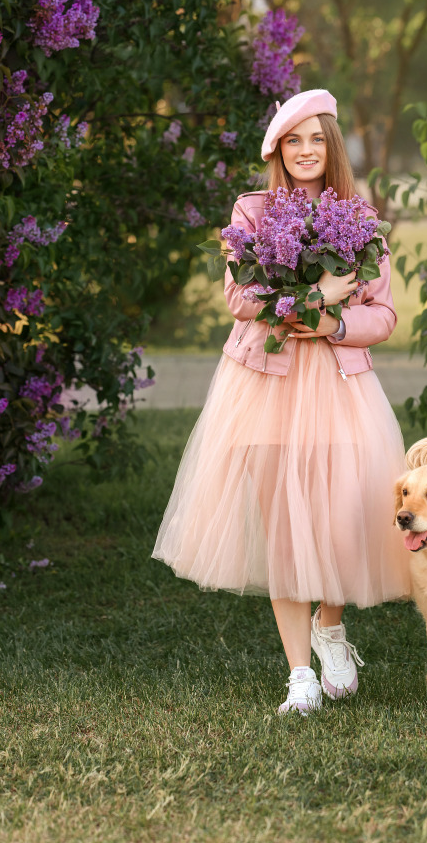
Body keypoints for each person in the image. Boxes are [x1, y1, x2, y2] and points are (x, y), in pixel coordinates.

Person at [152, 88, 411, 715]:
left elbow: (384, 311)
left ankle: (331, 628)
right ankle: (300, 673)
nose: (304, 150)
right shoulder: (252, 211)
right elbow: (240, 299)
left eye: (315, 138)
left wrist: (335, 325)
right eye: (292, 140)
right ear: (277, 149)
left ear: (331, 146)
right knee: (283, 527)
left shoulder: (359, 216)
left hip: (340, 384)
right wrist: (312, 298)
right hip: (265, 384)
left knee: (343, 515)